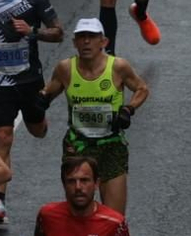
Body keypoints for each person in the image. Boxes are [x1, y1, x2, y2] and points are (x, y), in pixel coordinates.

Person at [41, 16, 148, 213]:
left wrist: (128, 109)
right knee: (78, 210)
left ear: (104, 42)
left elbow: (141, 88)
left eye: (92, 37)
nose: (86, 41)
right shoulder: (65, 68)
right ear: (74, 43)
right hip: (77, 147)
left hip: (111, 146)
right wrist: (38, 100)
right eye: (81, 37)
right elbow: (48, 94)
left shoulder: (118, 67)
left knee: (114, 217)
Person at [0, 0, 61, 213]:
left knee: (37, 131)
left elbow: (58, 33)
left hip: (29, 80)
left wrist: (32, 32)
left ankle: (39, 118)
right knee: (3, 137)